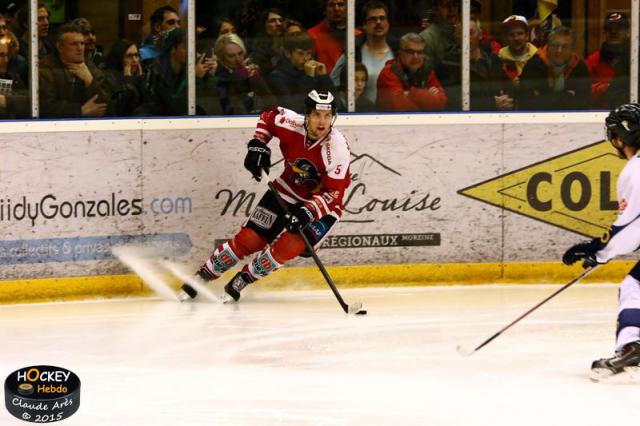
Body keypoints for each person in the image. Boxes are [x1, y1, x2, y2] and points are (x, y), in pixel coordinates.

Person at [179, 90, 351, 303]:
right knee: (249, 239)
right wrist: (258, 143)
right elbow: (268, 117)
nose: (322, 122)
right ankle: (203, 275)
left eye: (327, 115)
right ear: (306, 114)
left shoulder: (337, 147)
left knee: (290, 245)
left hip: (322, 205)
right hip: (287, 189)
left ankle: (243, 279)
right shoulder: (291, 123)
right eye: (316, 115)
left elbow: (334, 194)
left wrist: (307, 211)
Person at [562, 103, 640, 380]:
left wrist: (599, 250)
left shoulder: (635, 170)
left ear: (619, 138)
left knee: (634, 286)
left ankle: (632, 347)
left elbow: (632, 225)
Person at [330, 0, 397, 105]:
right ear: (364, 25)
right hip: (362, 115)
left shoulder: (398, 51)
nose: (378, 22)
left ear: (388, 23)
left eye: (382, 18)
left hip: (395, 114)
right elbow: (334, 81)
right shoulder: (353, 51)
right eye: (373, 19)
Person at [439, 17, 513, 111]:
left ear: (480, 35)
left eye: (471, 33)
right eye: (462, 33)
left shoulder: (493, 60)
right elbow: (453, 100)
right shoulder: (447, 64)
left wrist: (506, 100)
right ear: (456, 36)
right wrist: (491, 104)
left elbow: (508, 88)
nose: (466, 38)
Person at [39, 23, 111, 118]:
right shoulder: (45, 68)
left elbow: (106, 103)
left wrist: (89, 80)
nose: (80, 48)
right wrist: (79, 111)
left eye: (82, 43)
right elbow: (44, 107)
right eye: (74, 44)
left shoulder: (88, 65)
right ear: (59, 47)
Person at [518, 26, 590, 110]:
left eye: (565, 47)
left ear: (572, 50)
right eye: (555, 45)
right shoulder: (534, 65)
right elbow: (527, 102)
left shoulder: (579, 68)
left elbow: (583, 103)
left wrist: (543, 97)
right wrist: (567, 96)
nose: (559, 50)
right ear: (548, 46)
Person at [376, 32, 447, 112]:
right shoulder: (388, 73)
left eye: (420, 52)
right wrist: (427, 94)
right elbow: (403, 110)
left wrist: (410, 93)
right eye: (410, 52)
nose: (416, 57)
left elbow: (441, 103)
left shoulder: (426, 69)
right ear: (400, 52)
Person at [268, 32, 334, 111]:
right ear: (288, 53)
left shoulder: (315, 73)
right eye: (300, 54)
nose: (306, 58)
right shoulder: (277, 76)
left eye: (308, 53)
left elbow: (337, 105)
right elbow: (291, 108)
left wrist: (324, 76)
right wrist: (308, 77)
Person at [214, 33, 275, 115]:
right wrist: (238, 79)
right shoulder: (218, 80)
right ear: (221, 58)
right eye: (231, 56)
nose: (238, 59)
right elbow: (233, 111)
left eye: (240, 53)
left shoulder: (250, 72)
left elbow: (273, 104)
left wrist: (257, 81)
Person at [585, 12, 630, 109]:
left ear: (627, 31)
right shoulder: (593, 61)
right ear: (604, 33)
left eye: (619, 28)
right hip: (600, 115)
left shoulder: (635, 60)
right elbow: (583, 92)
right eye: (609, 29)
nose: (614, 32)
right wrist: (606, 88)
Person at [308, 0, 361, 73]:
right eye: (331, 5)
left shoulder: (358, 36)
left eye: (341, 4)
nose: (336, 9)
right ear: (324, 10)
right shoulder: (311, 36)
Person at [498, 15, 537, 90]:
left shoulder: (537, 57)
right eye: (511, 35)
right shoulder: (500, 57)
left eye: (520, 33)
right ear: (506, 38)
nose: (516, 38)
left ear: (527, 36)